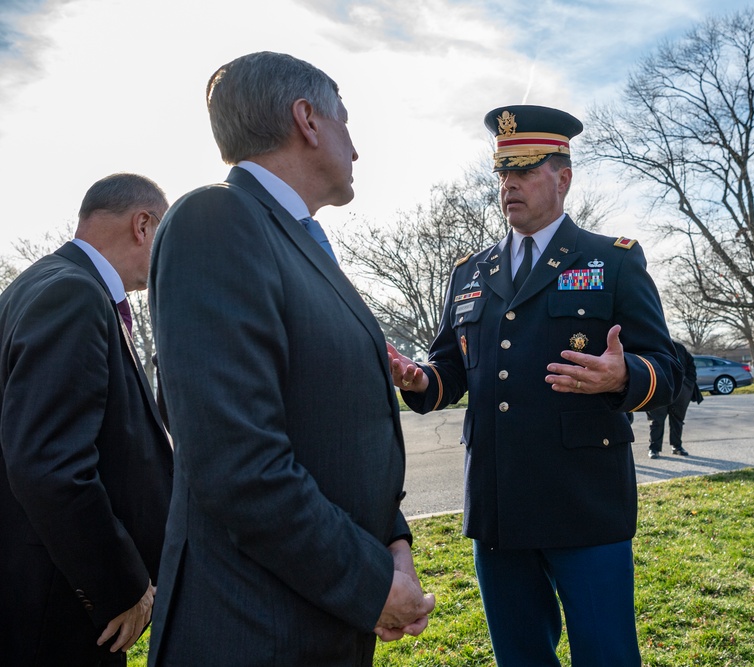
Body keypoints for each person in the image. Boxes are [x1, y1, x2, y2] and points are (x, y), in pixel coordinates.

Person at [146, 52, 434, 666]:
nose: (355, 149)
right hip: (254, 630)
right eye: (346, 123)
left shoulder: (294, 238)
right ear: (307, 119)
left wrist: (392, 540)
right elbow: (237, 460)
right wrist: (371, 582)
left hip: (314, 617)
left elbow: (333, 433)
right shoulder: (215, 219)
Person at [388, 104, 680, 666]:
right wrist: (418, 377)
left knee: (606, 655)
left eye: (524, 169)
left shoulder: (611, 260)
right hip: (498, 504)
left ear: (563, 177)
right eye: (502, 173)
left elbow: (667, 370)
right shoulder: (470, 272)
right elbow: (451, 369)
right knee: (520, 657)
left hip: (584, 502)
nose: (509, 184)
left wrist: (624, 375)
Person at [0, 173, 173, 665]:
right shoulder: (74, 295)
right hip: (58, 604)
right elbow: (48, 465)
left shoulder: (38, 283)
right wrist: (121, 584)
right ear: (143, 224)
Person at [647, 341, 702, 458]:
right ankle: (654, 448)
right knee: (656, 421)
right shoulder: (653, 345)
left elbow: (690, 364)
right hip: (659, 390)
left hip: (681, 391)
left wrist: (688, 383)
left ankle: (677, 446)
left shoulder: (679, 347)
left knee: (677, 420)